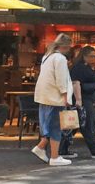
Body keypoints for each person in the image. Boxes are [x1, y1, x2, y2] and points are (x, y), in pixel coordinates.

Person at [62, 45, 95, 159]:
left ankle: (63, 149)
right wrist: (79, 100)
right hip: (83, 99)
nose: (94, 58)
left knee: (74, 125)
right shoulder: (79, 68)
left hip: (86, 98)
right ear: (84, 56)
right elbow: (76, 83)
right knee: (88, 124)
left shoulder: (85, 67)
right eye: (92, 56)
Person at [31, 33, 74, 166]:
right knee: (56, 126)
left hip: (44, 96)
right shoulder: (60, 59)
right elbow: (61, 79)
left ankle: (41, 147)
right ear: (66, 46)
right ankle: (54, 156)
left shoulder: (47, 56)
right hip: (55, 97)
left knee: (48, 124)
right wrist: (66, 96)